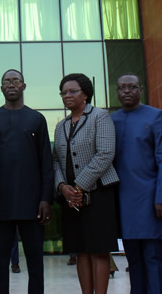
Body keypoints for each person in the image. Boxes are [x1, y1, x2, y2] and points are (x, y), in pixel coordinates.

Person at [0, 69, 53, 294]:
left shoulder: (36, 119)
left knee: (35, 264)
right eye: (6, 81)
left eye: (16, 81)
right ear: (1, 88)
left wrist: (45, 198)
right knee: (0, 263)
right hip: (0, 204)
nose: (11, 84)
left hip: (33, 204)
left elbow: (46, 162)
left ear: (24, 86)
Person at [52, 73, 118, 294]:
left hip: (98, 194)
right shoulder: (60, 126)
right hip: (72, 199)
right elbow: (56, 161)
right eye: (64, 92)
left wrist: (79, 186)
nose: (67, 95)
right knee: (80, 250)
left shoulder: (100, 116)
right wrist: (63, 187)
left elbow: (105, 153)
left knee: (98, 251)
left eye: (72, 91)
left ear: (86, 94)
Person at [110, 73, 162, 294]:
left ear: (141, 89)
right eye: (121, 87)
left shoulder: (156, 117)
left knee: (153, 257)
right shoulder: (112, 120)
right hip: (123, 201)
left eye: (131, 87)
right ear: (116, 91)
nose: (126, 91)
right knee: (133, 258)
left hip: (151, 200)